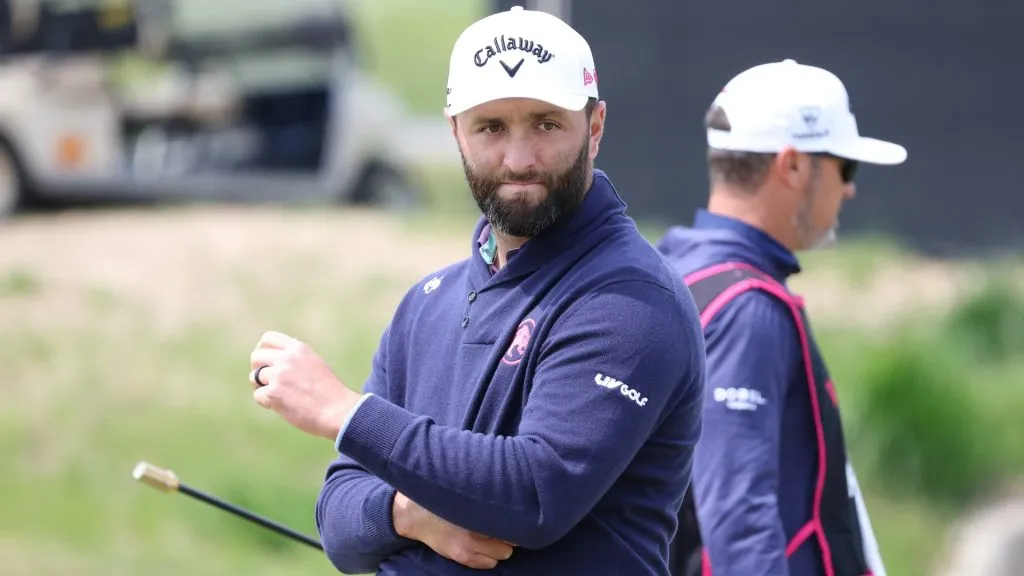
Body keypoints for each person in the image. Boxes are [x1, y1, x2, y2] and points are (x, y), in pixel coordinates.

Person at [246, 6, 707, 575]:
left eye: (546, 124)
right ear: (455, 132)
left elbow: (536, 493)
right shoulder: (427, 301)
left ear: (594, 128)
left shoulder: (630, 298)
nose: (518, 159)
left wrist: (346, 412)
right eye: (491, 127)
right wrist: (405, 514)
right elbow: (339, 525)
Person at [657, 59, 904, 576]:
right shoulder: (747, 308)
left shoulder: (671, 268)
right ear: (791, 166)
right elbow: (739, 517)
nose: (850, 189)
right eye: (845, 167)